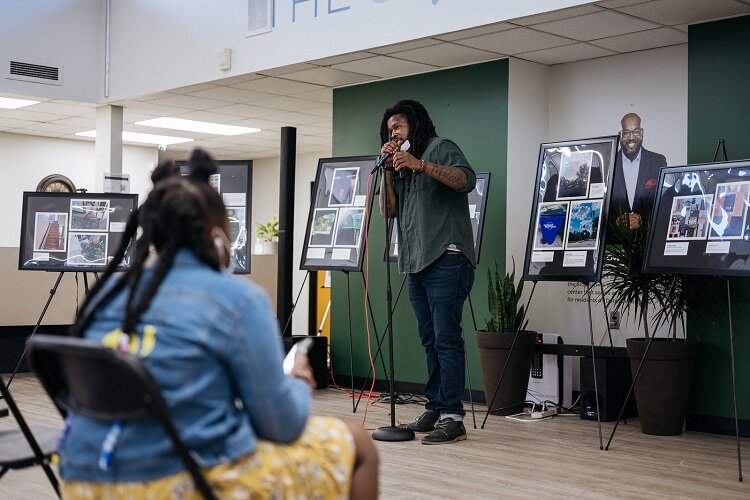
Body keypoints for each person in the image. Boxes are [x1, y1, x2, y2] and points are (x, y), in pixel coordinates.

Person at [59, 149, 378, 499]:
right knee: (359, 444)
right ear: (217, 236)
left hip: (84, 478)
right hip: (176, 482)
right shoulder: (240, 300)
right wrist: (299, 382)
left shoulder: (106, 298)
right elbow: (281, 425)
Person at [378, 100, 476, 445]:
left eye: (399, 126)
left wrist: (420, 164)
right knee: (430, 339)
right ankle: (436, 407)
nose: (394, 132)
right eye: (390, 129)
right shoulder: (400, 167)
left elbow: (466, 180)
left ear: (416, 125)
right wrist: (389, 173)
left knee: (447, 338)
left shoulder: (440, 148)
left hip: (447, 257)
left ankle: (453, 416)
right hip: (416, 263)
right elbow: (388, 211)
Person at [609, 112, 667, 232]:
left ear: (642, 133)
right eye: (626, 132)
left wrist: (643, 219)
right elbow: (600, 207)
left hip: (647, 240)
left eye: (635, 131)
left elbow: (665, 203)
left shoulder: (658, 162)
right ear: (620, 135)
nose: (631, 137)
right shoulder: (608, 164)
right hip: (615, 243)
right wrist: (616, 221)